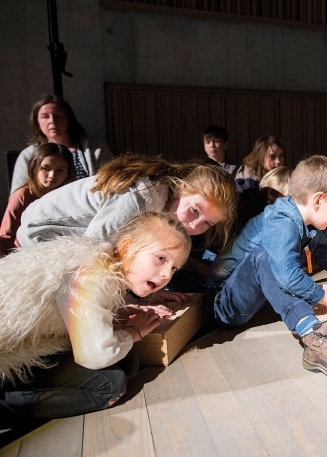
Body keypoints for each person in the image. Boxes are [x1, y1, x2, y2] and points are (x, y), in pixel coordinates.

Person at [205, 156, 327, 382]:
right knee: (265, 257)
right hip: (224, 304)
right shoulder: (281, 222)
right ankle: (313, 335)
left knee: (314, 240)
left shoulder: (304, 219)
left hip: (257, 298)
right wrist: (326, 300)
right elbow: (287, 277)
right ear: (318, 200)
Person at [0, 212, 191, 422]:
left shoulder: (103, 263)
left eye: (174, 268)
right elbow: (94, 355)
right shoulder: (91, 275)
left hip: (35, 344)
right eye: (161, 258)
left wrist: (121, 313)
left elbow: (74, 313)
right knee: (109, 386)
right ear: (127, 248)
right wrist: (133, 332)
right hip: (7, 356)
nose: (167, 274)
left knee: (128, 362)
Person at [16, 154, 238, 300]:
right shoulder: (141, 197)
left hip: (78, 239)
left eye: (207, 223)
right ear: (180, 188)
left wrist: (153, 293)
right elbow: (95, 249)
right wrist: (131, 304)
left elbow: (148, 252)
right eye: (195, 211)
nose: (194, 225)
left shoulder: (169, 210)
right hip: (43, 233)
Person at [11, 95, 113, 193]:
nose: (52, 121)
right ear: (37, 122)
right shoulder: (28, 155)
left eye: (58, 116)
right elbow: (18, 194)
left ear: (68, 119)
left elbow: (112, 181)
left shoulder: (94, 149)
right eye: (45, 116)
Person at [1, 144, 75, 256]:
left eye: (60, 170)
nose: (52, 175)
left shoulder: (67, 196)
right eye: (46, 168)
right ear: (35, 167)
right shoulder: (22, 195)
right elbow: (6, 238)